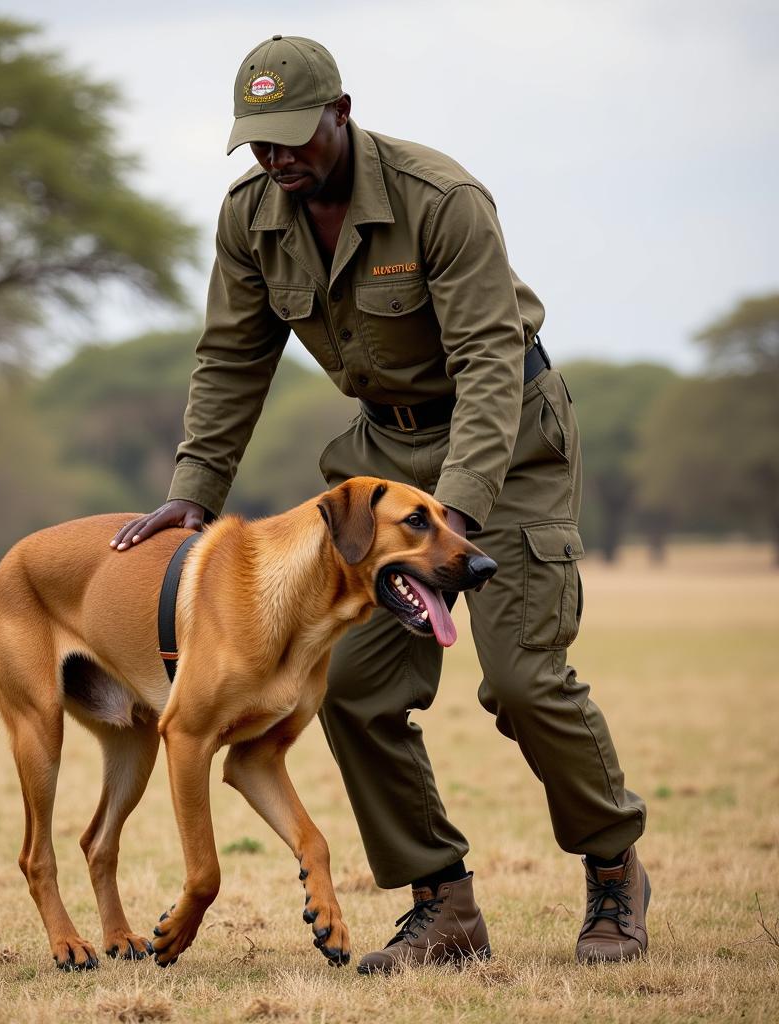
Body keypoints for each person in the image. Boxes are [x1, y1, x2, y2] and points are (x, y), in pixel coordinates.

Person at [111, 35, 649, 970]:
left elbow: (488, 362)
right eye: (259, 144)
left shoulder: (442, 201)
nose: (278, 160)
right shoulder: (251, 217)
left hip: (507, 442)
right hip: (380, 449)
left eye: (292, 138)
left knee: (522, 680)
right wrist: (192, 494)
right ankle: (443, 907)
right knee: (354, 690)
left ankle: (613, 869)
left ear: (341, 112)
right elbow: (234, 357)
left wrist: (457, 515)